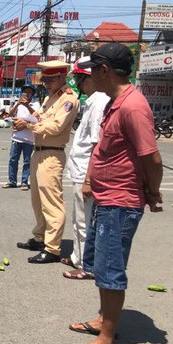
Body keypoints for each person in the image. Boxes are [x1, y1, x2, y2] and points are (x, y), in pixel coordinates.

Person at [64, 43, 163, 344]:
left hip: (121, 202)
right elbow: (104, 147)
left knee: (110, 269)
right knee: (101, 264)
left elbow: (152, 157)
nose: (89, 76)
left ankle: (107, 340)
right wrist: (93, 180)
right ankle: (103, 321)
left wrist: (153, 192)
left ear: (105, 71)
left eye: (93, 69)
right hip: (108, 198)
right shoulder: (113, 102)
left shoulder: (133, 106)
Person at [13, 60, 79, 264]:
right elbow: (40, 118)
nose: (46, 83)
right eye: (45, 80)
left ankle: (52, 248)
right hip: (38, 152)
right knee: (37, 200)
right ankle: (40, 237)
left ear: (62, 77)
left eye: (50, 80)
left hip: (52, 154)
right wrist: (25, 118)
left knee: (52, 202)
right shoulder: (52, 98)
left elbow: (55, 127)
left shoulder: (69, 99)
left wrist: (29, 126)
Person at [62, 58, 110, 279]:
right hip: (80, 171)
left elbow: (95, 145)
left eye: (80, 80)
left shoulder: (99, 102)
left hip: (85, 174)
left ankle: (86, 265)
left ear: (89, 78)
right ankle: (77, 256)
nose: (78, 85)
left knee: (84, 221)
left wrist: (89, 180)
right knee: (78, 218)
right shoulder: (91, 101)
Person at [2, 85, 39, 190]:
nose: (27, 94)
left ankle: (24, 182)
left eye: (29, 92)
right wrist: (18, 103)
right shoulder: (18, 104)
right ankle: (12, 181)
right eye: (25, 92)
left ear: (32, 94)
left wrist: (27, 106)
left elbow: (37, 118)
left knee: (27, 161)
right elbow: (9, 115)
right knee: (13, 160)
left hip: (29, 138)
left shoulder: (35, 104)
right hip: (16, 137)